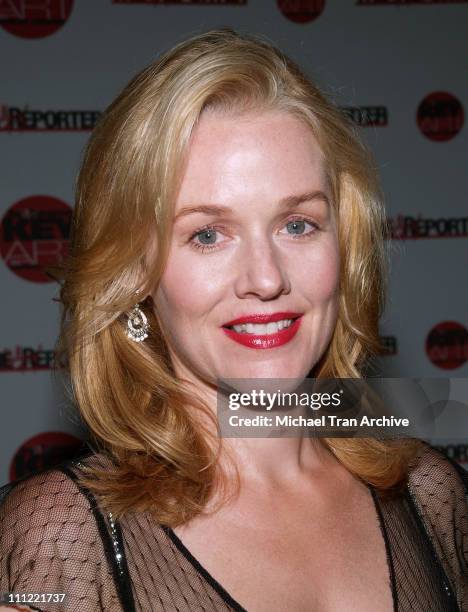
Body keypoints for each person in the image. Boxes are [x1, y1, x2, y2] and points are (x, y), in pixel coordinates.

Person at [0, 28, 466, 612]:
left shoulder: (429, 493)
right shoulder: (62, 538)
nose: (266, 278)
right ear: (135, 274)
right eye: (207, 234)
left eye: (298, 224)